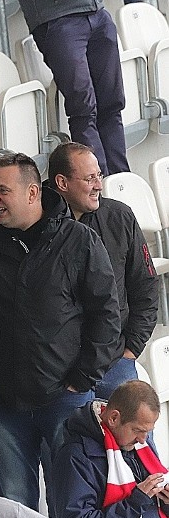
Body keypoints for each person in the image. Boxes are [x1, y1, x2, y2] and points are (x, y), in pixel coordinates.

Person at [0, 153, 122, 510]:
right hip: (3, 403)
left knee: (72, 499)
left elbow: (105, 314)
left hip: (66, 400)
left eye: (2, 191)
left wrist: (82, 379)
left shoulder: (78, 240)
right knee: (16, 503)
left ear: (31, 193)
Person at [0, 0, 129, 175]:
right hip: (56, 20)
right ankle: (97, 189)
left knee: (112, 103)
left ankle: (121, 183)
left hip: (96, 10)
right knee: (83, 108)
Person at [48, 142, 159, 399]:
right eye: (90, 178)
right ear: (62, 183)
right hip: (60, 375)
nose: (99, 184)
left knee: (136, 437)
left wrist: (131, 348)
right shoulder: (37, 228)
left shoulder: (119, 217)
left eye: (99, 175)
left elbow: (146, 285)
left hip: (115, 363)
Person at [53, 380, 169, 518]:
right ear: (114, 418)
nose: (143, 440)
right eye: (137, 430)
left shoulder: (138, 443)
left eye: (148, 432)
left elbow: (152, 504)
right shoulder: (75, 456)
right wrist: (135, 503)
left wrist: (166, 501)